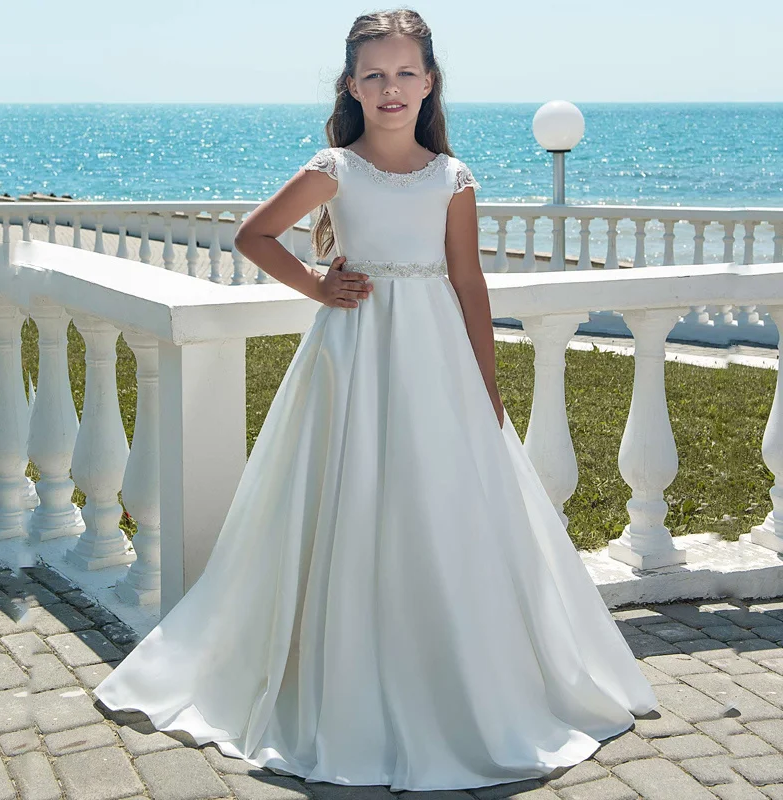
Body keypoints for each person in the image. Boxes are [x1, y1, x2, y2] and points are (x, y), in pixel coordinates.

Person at [93, 8, 658, 793]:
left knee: (442, 501)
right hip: (354, 356)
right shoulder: (336, 167)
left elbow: (468, 281)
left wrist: (486, 384)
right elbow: (255, 236)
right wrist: (319, 285)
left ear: (429, 84)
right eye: (374, 74)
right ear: (352, 86)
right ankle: (341, 675)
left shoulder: (451, 177)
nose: (390, 87)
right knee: (349, 494)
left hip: (437, 361)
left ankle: (465, 672)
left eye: (405, 73)